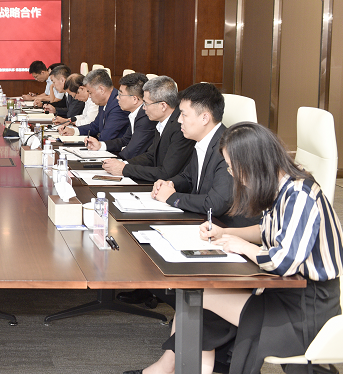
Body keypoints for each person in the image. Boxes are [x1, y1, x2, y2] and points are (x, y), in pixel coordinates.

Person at [127, 122, 343, 374]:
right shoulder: (282, 187)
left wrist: (243, 247)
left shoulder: (299, 195)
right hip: (283, 291)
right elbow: (268, 230)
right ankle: (165, 369)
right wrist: (226, 233)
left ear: (251, 163)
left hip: (306, 306)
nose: (231, 173)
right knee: (200, 302)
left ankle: (165, 369)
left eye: (231, 166)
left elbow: (284, 262)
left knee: (199, 300)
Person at [150, 83, 244, 226]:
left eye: (184, 114)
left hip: (226, 228)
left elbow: (215, 204)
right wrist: (169, 183)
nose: (179, 120)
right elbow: (188, 177)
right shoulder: (203, 140)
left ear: (205, 118)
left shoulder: (228, 148)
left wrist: (172, 197)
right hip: (203, 222)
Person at [102, 75, 194, 182]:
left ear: (163, 106)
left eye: (146, 103)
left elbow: (166, 173)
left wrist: (125, 169)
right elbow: (151, 156)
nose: (144, 107)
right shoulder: (162, 121)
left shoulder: (181, 127)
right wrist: (123, 164)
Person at [86, 72, 156, 160]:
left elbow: (132, 152)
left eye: (121, 94)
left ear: (134, 99)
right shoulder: (135, 114)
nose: (117, 98)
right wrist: (100, 145)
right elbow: (124, 140)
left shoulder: (146, 118)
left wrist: (115, 160)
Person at [59, 68, 129, 142]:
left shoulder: (118, 105)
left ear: (102, 90)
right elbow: (95, 126)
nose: (89, 96)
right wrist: (73, 131)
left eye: (90, 92)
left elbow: (106, 137)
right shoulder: (103, 102)